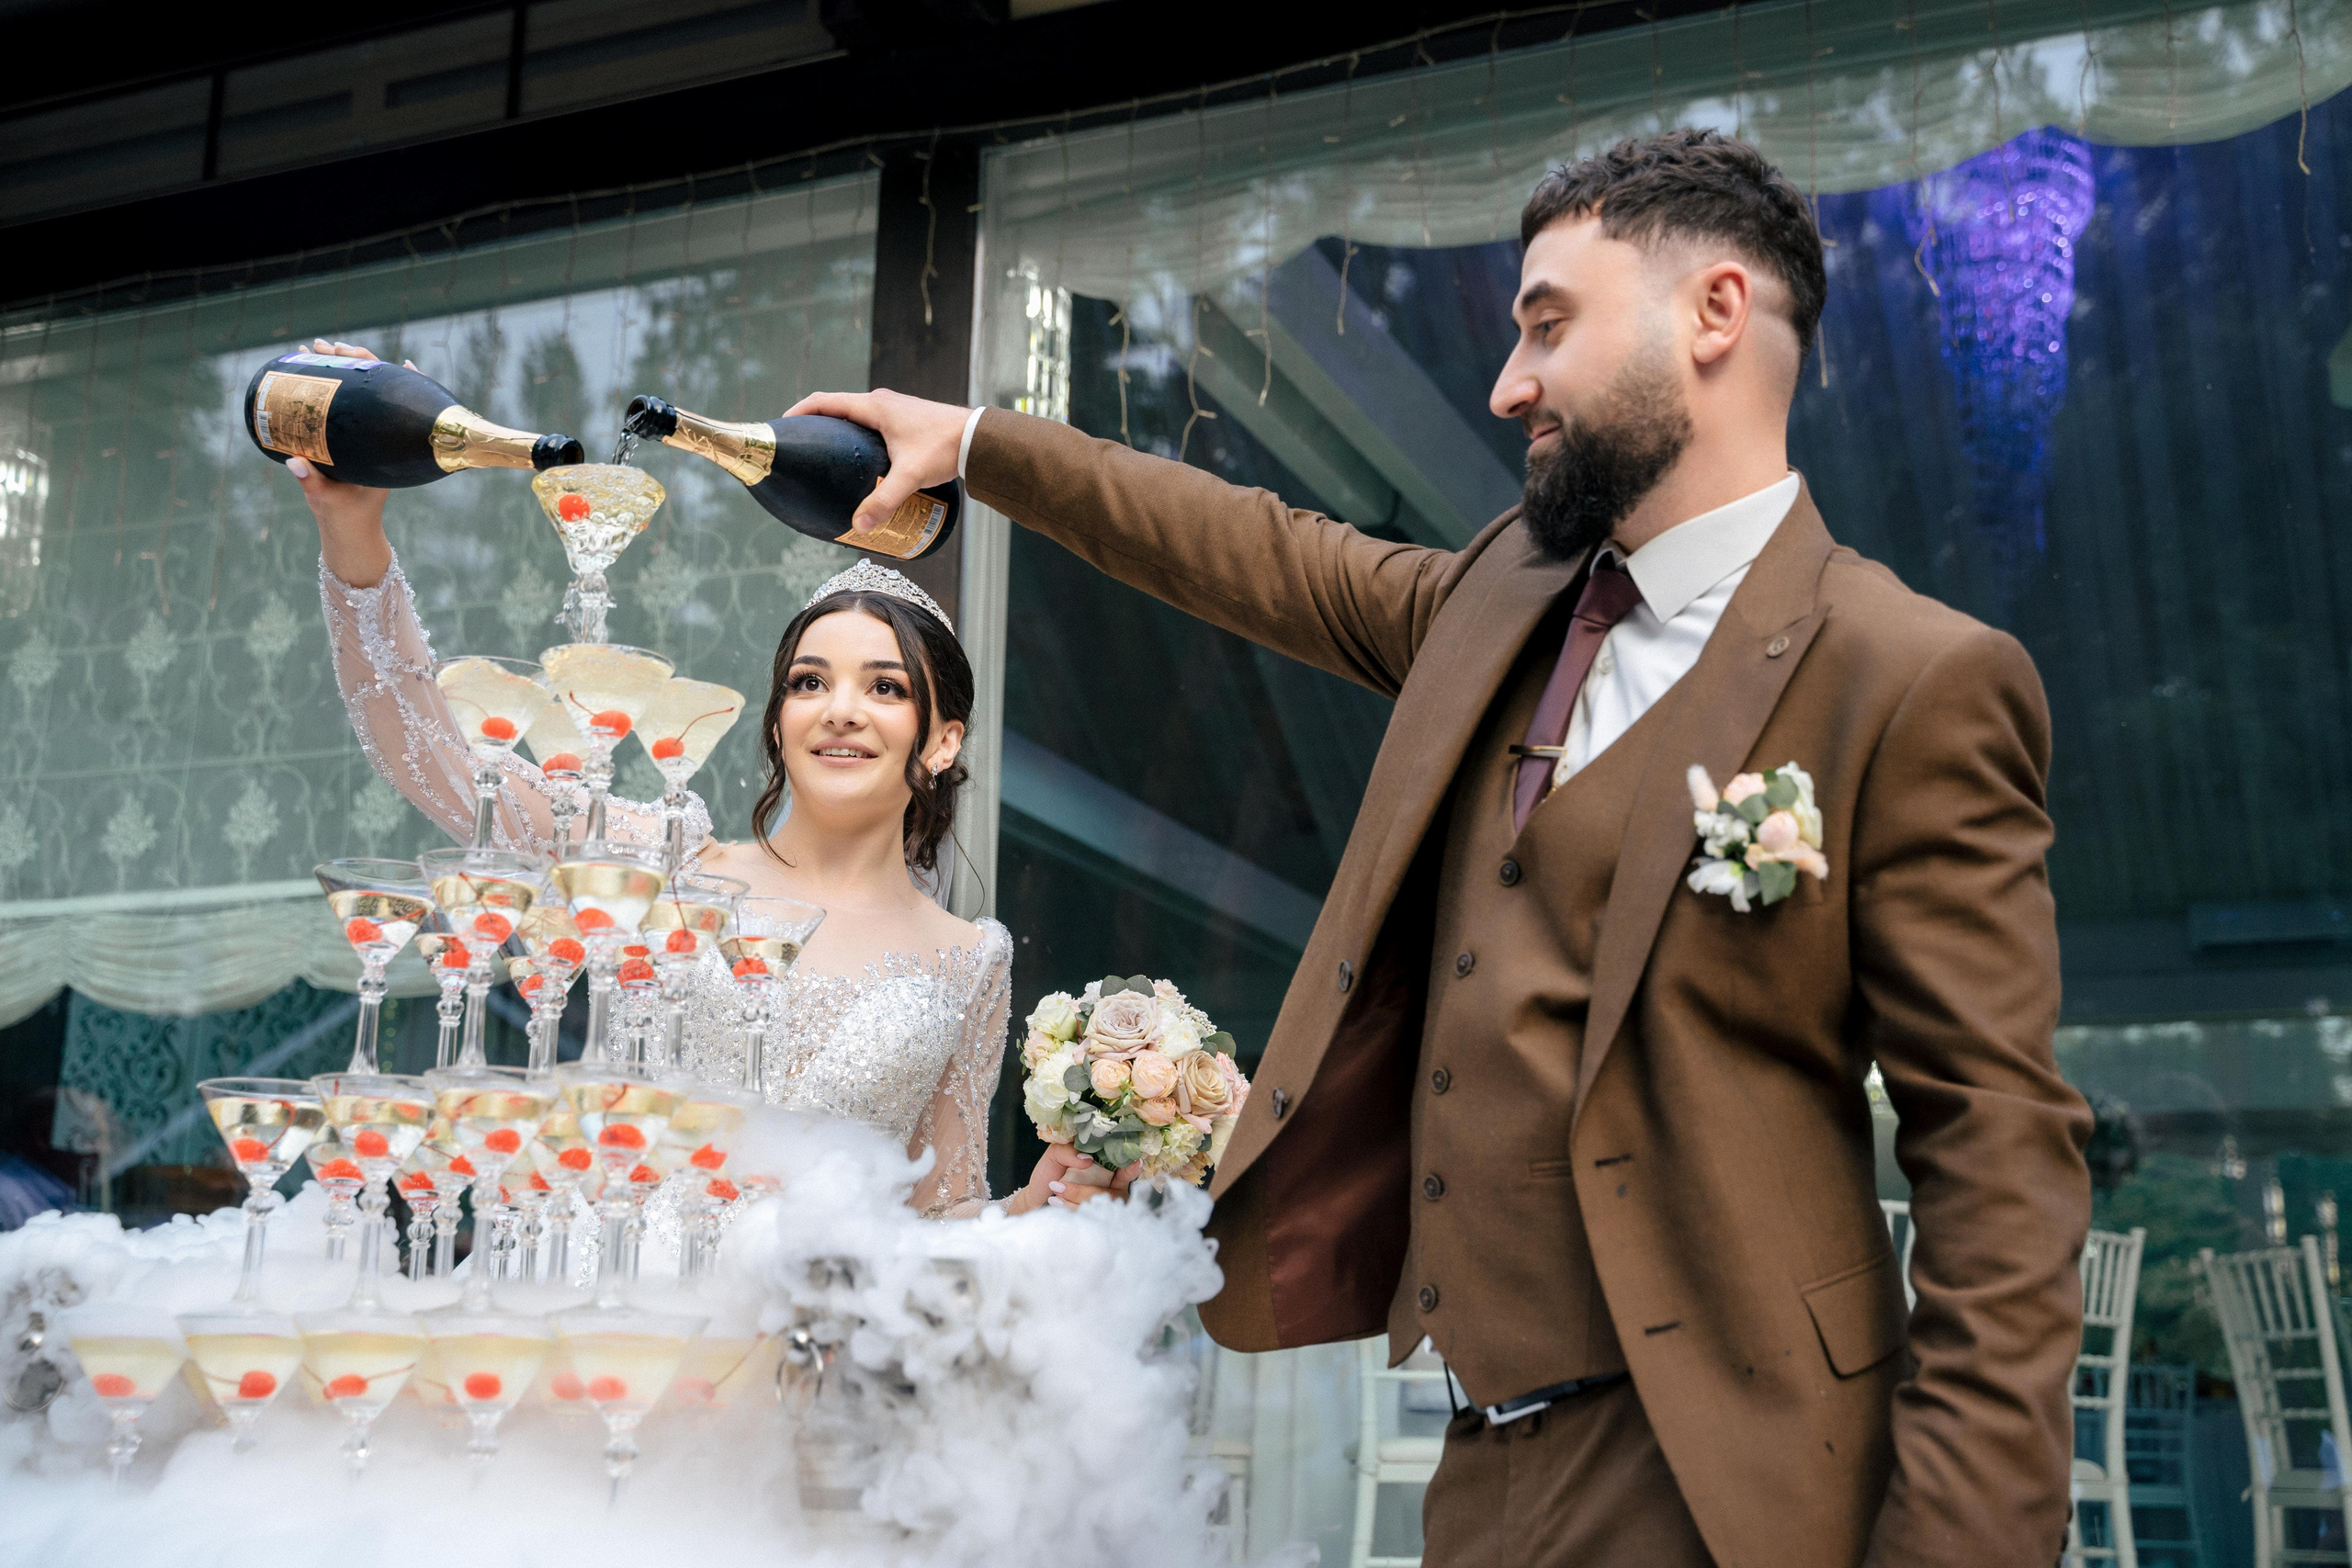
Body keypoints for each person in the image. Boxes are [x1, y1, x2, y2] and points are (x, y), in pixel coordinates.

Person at [787, 130, 2093, 1565]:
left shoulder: (1911, 677)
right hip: (1483, 1464)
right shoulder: (1501, 597)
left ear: (1715, 313)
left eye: (1548, 325)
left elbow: (2000, 1171)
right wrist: (979, 447)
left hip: (1742, 1480)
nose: (1507, 383)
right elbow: (1259, 548)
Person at [288, 344, 1079, 1219]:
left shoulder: (972, 961)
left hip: (815, 1343)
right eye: (809, 682)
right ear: (778, 722)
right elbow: (424, 747)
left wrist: (1035, 1209)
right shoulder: (661, 864)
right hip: (619, 1318)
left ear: (940, 741)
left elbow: (943, 1212)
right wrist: (354, 529)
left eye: (885, 687)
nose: (839, 710)